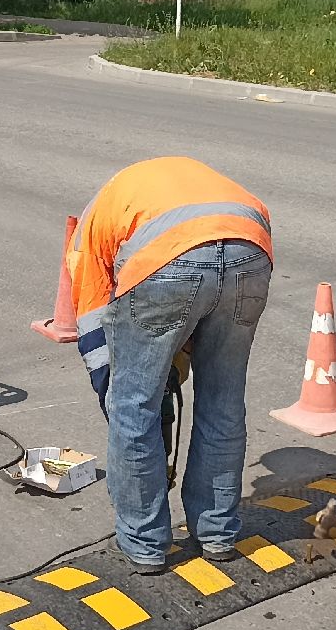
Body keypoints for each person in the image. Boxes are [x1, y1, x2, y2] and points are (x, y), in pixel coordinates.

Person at [65, 157, 273, 573]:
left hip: (166, 264)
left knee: (133, 408)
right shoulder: (169, 186)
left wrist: (111, 385)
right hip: (251, 249)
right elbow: (214, 289)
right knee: (224, 401)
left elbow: (90, 314)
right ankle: (216, 533)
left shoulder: (89, 230)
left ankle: (144, 543)